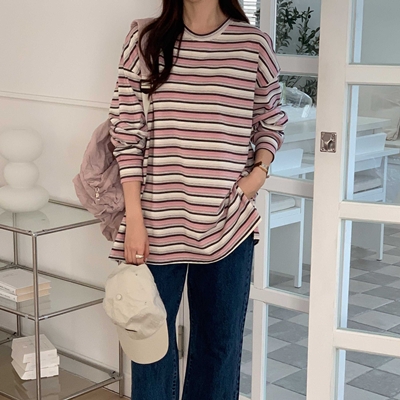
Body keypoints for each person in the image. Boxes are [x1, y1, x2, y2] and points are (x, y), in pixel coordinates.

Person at [108, 0, 286, 398]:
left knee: (218, 351)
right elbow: (127, 134)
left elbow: (270, 119)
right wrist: (134, 218)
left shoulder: (253, 45)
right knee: (150, 349)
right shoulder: (144, 39)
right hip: (155, 222)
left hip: (228, 225)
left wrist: (256, 176)